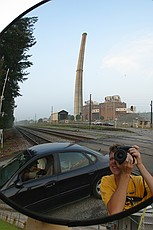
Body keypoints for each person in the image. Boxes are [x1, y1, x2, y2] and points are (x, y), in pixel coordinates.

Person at [100, 144, 153, 215]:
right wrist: (125, 174)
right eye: (111, 159)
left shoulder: (140, 181)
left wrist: (139, 164)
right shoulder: (106, 181)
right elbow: (115, 212)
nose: (115, 162)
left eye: (119, 158)